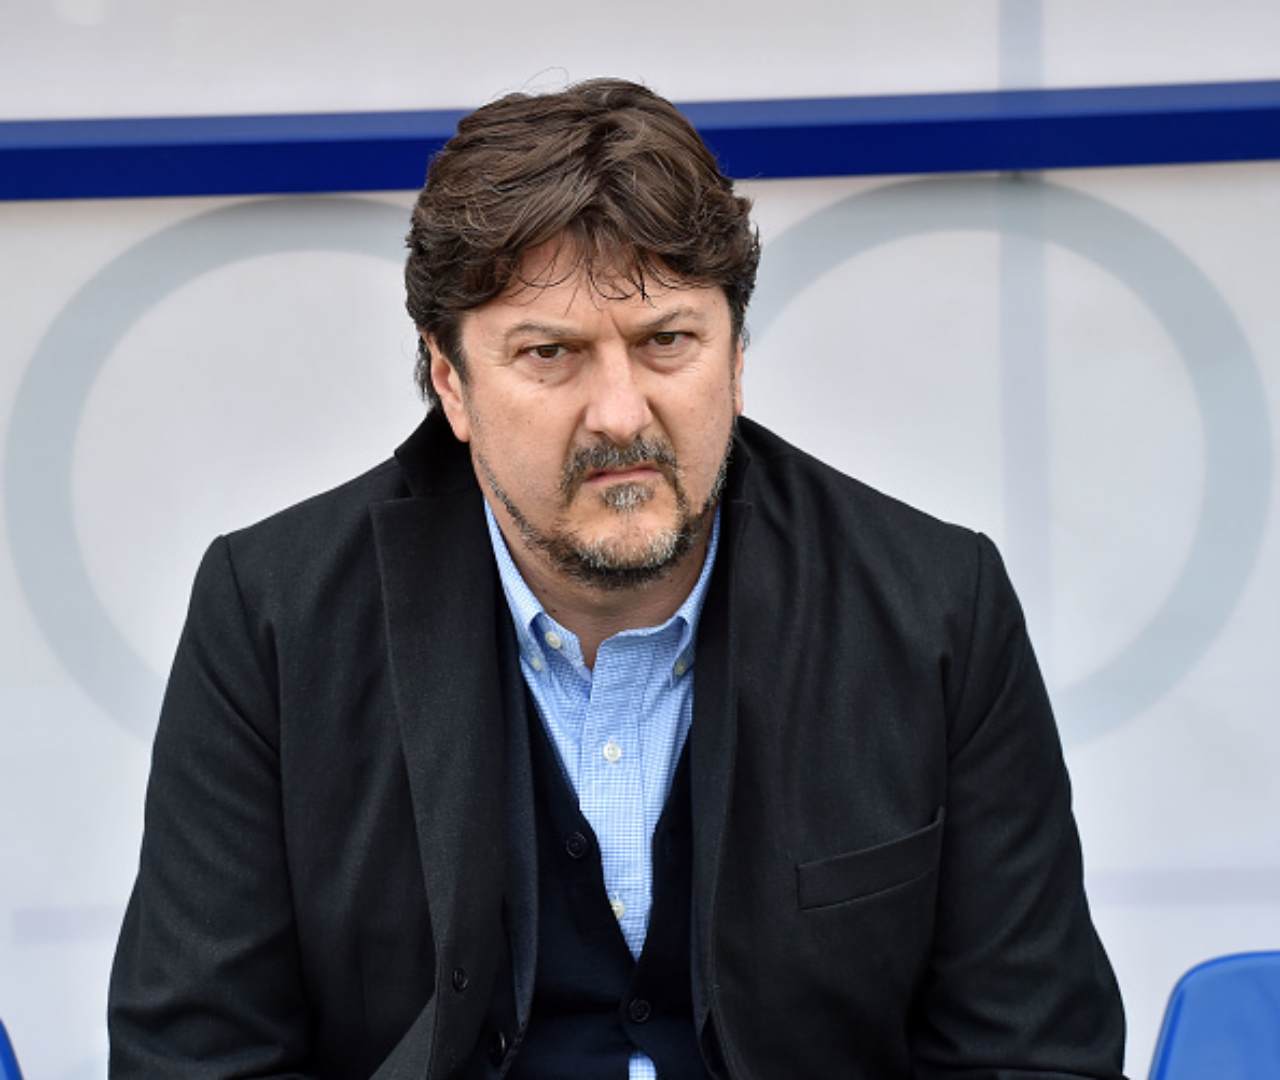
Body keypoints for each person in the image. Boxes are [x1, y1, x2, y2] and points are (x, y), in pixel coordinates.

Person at [108, 79, 1126, 1079]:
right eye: (550, 353)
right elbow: (194, 1061)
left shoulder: (933, 606)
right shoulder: (274, 616)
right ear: (451, 382)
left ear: (735, 359)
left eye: (666, 342)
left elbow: (1033, 1054)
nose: (620, 414)